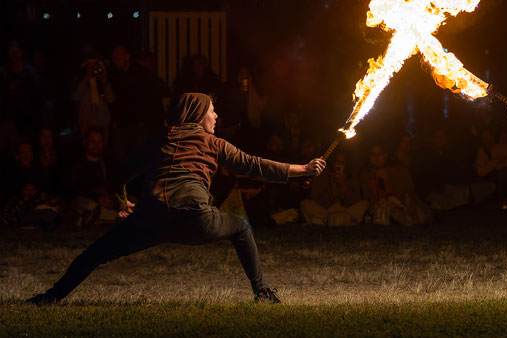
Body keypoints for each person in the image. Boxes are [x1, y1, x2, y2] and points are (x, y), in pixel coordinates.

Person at [27, 92, 325, 305]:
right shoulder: (213, 143)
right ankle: (262, 293)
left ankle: (50, 297)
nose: (216, 116)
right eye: (212, 110)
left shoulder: (161, 140)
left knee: (93, 255)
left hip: (149, 218)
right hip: (193, 216)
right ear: (198, 114)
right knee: (242, 228)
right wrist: (302, 169)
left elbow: (117, 176)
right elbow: (254, 165)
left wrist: (122, 203)